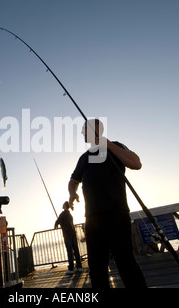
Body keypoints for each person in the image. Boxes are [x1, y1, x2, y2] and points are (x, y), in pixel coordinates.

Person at [68, 119, 147, 288]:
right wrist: (72, 193)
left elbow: (136, 163)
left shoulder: (116, 146)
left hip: (116, 214)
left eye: (85, 129)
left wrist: (109, 145)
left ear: (96, 130)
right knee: (96, 268)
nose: (82, 133)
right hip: (92, 219)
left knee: (126, 262)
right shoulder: (84, 158)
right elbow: (73, 180)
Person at [54, 201, 83, 275]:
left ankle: (71, 268)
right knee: (76, 250)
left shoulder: (63, 213)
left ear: (65, 206)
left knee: (69, 251)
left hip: (67, 234)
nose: (62, 205)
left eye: (63, 204)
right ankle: (79, 267)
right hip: (73, 233)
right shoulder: (70, 214)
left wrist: (56, 226)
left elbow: (57, 222)